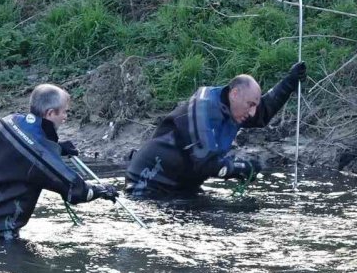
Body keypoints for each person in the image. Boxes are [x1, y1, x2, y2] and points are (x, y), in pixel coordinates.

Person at [125, 62, 306, 197]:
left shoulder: (234, 107)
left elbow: (263, 113)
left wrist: (289, 82)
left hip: (183, 186)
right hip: (149, 184)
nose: (252, 113)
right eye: (250, 105)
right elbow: (206, 162)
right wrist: (240, 167)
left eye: (254, 106)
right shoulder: (203, 107)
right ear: (234, 93)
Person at [0, 84, 118, 242]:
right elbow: (76, 191)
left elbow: (27, 150)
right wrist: (102, 190)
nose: (66, 117)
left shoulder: (7, 123)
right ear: (51, 113)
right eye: (65, 112)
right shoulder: (41, 158)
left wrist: (56, 148)